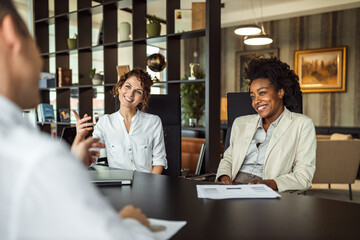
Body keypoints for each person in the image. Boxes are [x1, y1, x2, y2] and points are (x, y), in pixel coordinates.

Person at [0, 0, 154, 238]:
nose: (41, 65)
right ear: (11, 37)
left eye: (138, 91)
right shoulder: (37, 157)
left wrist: (73, 161)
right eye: (36, 45)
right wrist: (130, 223)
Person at [216, 57, 316, 192]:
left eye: (262, 93)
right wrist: (224, 176)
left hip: (267, 189)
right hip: (232, 186)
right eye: (253, 96)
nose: (256, 101)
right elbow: (228, 159)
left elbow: (304, 177)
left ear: (280, 92)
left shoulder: (302, 125)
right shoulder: (240, 123)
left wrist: (270, 184)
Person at [73, 68, 167, 174]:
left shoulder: (153, 122)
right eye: (128, 86)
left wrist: (149, 187)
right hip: (118, 184)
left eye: (138, 92)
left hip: (147, 183)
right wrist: (80, 138)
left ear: (142, 98)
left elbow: (159, 161)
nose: (130, 94)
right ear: (119, 88)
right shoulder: (104, 122)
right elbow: (89, 162)